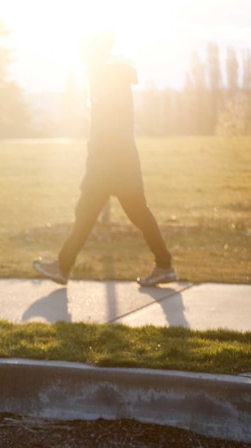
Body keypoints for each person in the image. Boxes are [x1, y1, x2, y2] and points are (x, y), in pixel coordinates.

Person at [33, 30, 176, 287]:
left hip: (110, 161)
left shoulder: (104, 76)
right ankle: (164, 265)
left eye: (83, 51)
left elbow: (104, 127)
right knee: (129, 214)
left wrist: (94, 166)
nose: (81, 56)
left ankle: (62, 268)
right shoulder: (111, 74)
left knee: (91, 213)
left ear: (94, 51)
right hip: (121, 158)